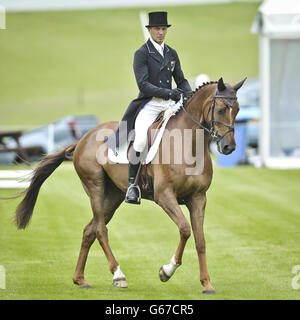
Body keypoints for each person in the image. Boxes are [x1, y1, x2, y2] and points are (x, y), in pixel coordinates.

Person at [105, 11, 192, 204]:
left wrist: (189, 94)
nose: (160, 32)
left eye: (163, 29)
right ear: (150, 30)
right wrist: (169, 93)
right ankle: (132, 186)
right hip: (150, 104)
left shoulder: (171, 53)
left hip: (170, 105)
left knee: (183, 132)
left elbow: (181, 80)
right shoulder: (142, 54)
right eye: (157, 29)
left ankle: (182, 182)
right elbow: (143, 85)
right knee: (141, 140)